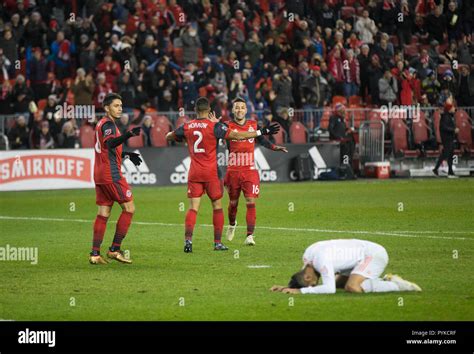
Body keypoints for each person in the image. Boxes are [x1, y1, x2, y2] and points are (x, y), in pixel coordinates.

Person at [166, 97, 280, 253]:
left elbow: (169, 136)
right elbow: (238, 136)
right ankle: (217, 243)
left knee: (193, 207)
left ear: (196, 110)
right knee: (217, 206)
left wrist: (184, 139)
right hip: (211, 173)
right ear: (208, 110)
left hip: (194, 172)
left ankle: (188, 242)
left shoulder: (188, 126)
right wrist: (262, 131)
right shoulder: (215, 127)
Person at [224, 98, 288, 246]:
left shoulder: (253, 125)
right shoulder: (227, 126)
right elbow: (219, 135)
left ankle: (249, 236)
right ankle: (232, 224)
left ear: (246, 110)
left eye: (242, 107)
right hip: (233, 170)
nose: (239, 110)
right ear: (233, 111)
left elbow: (262, 140)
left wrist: (274, 147)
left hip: (249, 170)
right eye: (237, 108)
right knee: (233, 203)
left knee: (250, 201)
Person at [89, 93, 143, 265]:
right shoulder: (109, 125)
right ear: (106, 108)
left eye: (121, 105)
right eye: (116, 106)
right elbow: (110, 143)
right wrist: (128, 135)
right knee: (129, 208)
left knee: (103, 212)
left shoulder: (102, 124)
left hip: (99, 173)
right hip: (111, 174)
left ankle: (95, 254)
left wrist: (126, 154)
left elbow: (107, 148)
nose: (119, 108)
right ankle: (115, 249)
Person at [270, 239, 422, 294]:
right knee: (337, 282)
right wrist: (288, 287)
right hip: (359, 258)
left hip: (373, 255)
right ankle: (382, 281)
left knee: (352, 287)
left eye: (314, 284)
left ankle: (395, 285)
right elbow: (301, 279)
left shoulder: (321, 260)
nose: (317, 284)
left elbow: (329, 290)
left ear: (308, 276)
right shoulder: (307, 257)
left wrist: (301, 292)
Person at [433, 98, 459, 178]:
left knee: (449, 154)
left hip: (449, 137)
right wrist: (453, 130)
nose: (454, 109)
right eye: (452, 107)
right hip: (447, 138)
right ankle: (438, 169)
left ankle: (449, 171)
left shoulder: (448, 116)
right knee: (446, 154)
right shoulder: (446, 117)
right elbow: (444, 127)